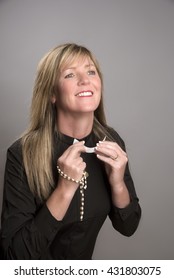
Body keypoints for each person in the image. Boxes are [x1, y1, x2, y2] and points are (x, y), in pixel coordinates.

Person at [0, 43, 141, 260]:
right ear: (51, 94)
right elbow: (13, 258)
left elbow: (128, 226)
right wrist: (64, 189)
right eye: (69, 75)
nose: (85, 80)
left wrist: (118, 183)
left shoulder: (111, 141)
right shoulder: (23, 154)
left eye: (90, 71)